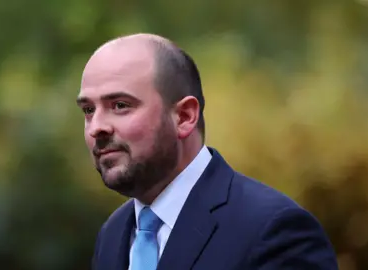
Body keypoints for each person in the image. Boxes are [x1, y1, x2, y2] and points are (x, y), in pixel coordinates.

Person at [77, 33, 338, 270]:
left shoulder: (274, 231)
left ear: (184, 116)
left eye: (120, 105)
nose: (96, 127)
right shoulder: (113, 235)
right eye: (89, 110)